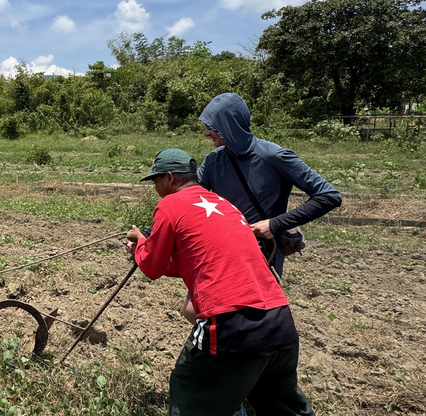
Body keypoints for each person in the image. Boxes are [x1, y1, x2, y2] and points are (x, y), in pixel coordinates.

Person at [126, 148, 315, 416]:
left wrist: (139, 243)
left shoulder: (170, 204)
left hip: (231, 326)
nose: (155, 188)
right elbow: (200, 262)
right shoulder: (223, 204)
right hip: (279, 321)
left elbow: (152, 267)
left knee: (190, 396)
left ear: (169, 178)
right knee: (284, 408)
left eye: (156, 180)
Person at [197, 93, 342, 278]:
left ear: (229, 126)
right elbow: (189, 200)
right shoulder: (212, 161)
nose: (206, 133)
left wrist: (274, 225)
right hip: (222, 251)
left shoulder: (274, 156)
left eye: (211, 127)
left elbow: (329, 196)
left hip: (262, 255)